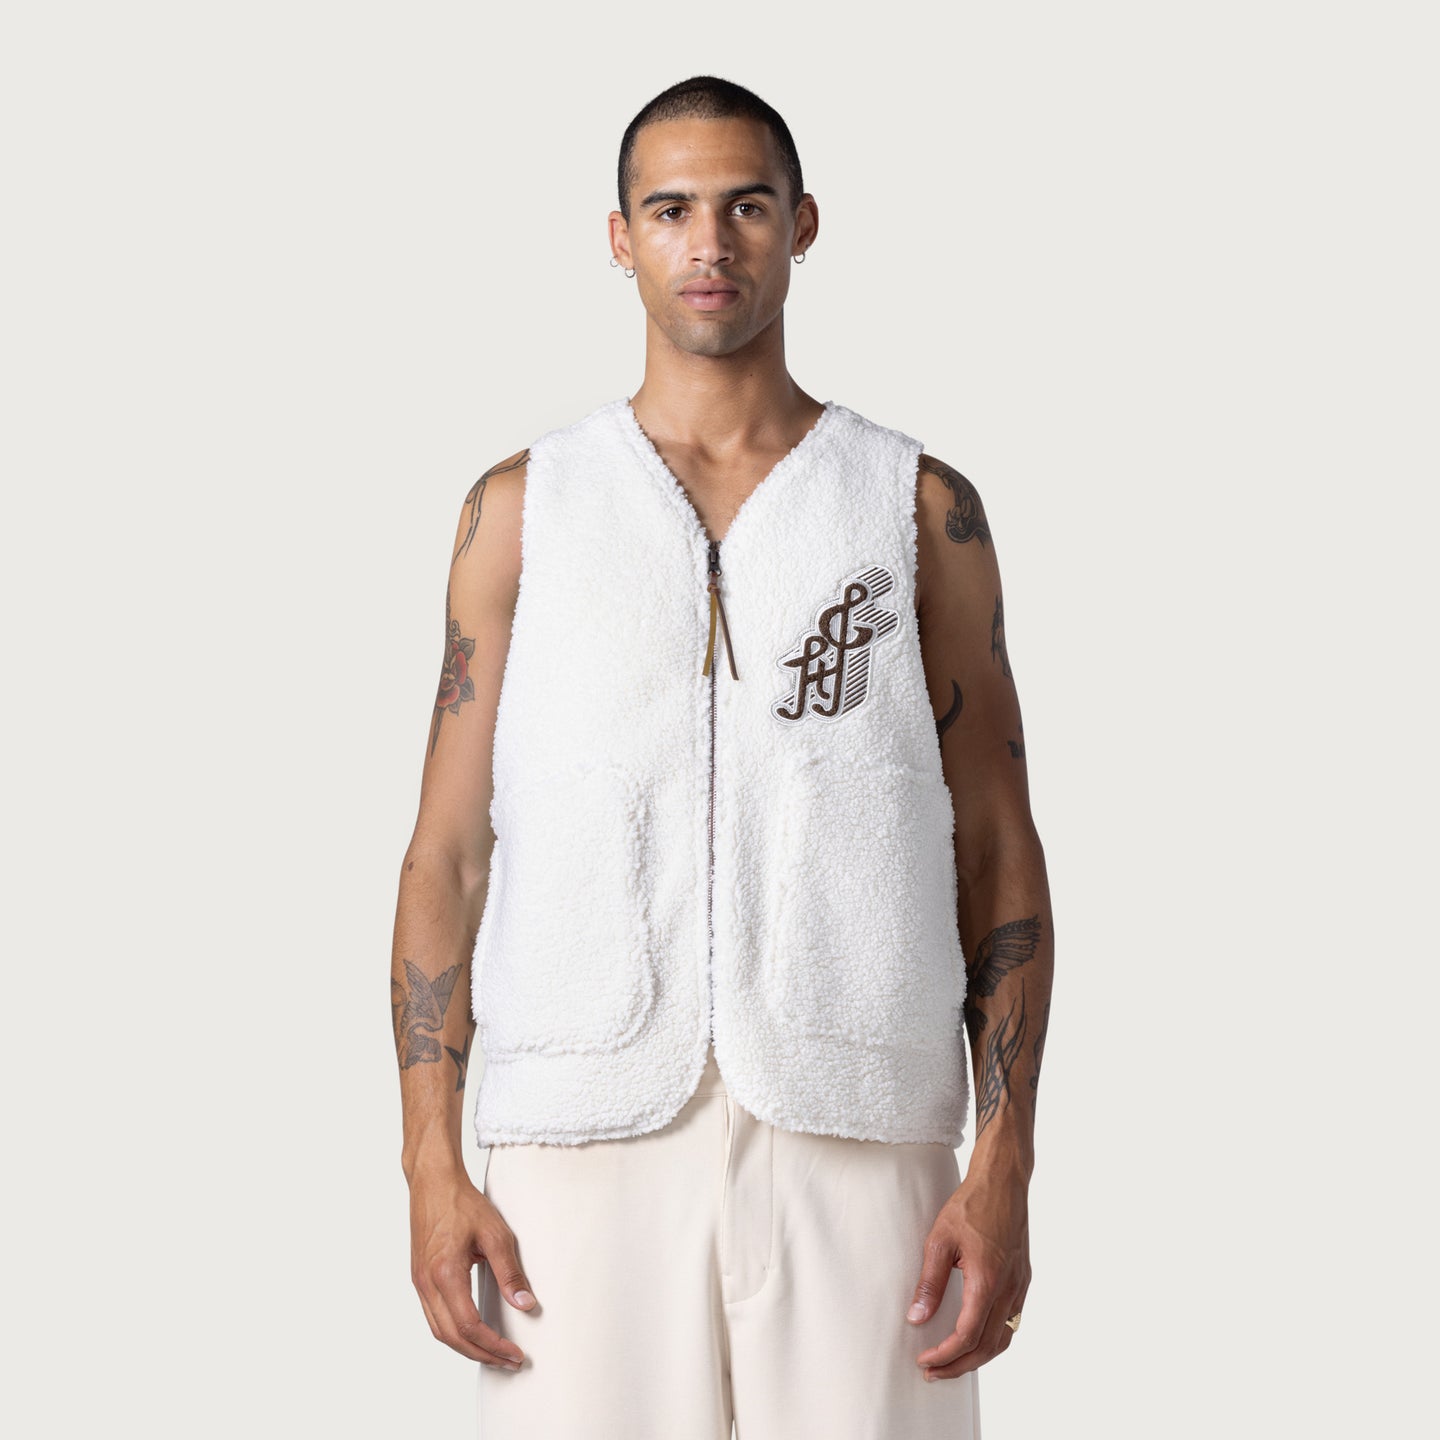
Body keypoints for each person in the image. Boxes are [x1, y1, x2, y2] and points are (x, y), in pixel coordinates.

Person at [392, 74, 1054, 1439]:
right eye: (672, 209)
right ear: (619, 237)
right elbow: (446, 857)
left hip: (858, 1129)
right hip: (577, 1139)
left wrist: (1004, 1165)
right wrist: (428, 1167)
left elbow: (998, 845)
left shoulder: (915, 508)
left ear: (802, 225)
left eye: (747, 206)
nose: (710, 243)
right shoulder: (524, 511)